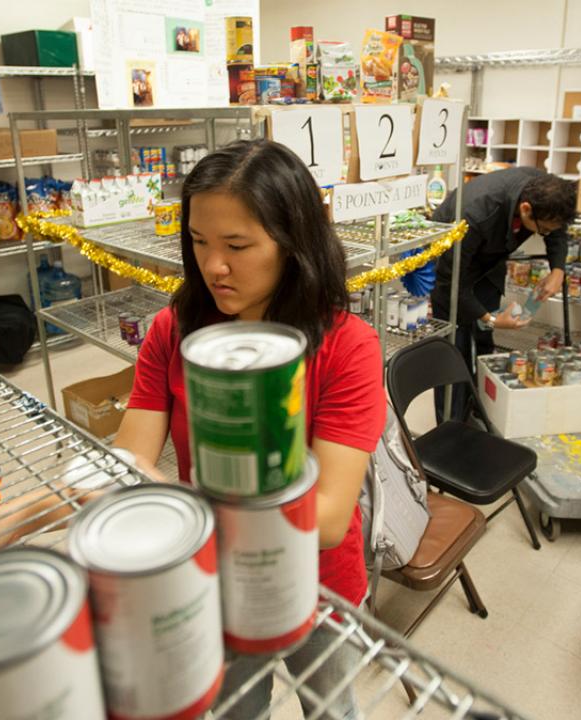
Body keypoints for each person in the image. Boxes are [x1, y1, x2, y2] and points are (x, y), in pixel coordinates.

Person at [113, 139, 387, 719]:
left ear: (294, 245)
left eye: (238, 245)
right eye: (199, 242)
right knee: (237, 710)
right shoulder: (174, 330)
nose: (214, 265)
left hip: (320, 587)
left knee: (332, 706)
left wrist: (183, 513)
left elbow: (330, 518)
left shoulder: (346, 348)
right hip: (217, 576)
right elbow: (128, 462)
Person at [430, 167, 576, 420]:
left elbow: (558, 230)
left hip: (490, 256)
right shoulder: (474, 213)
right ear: (526, 209)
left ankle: (480, 412)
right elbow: (451, 283)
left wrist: (558, 270)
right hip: (451, 257)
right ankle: (450, 426)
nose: (547, 235)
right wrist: (493, 318)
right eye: (543, 231)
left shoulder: (546, 190)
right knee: (454, 349)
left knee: (484, 340)